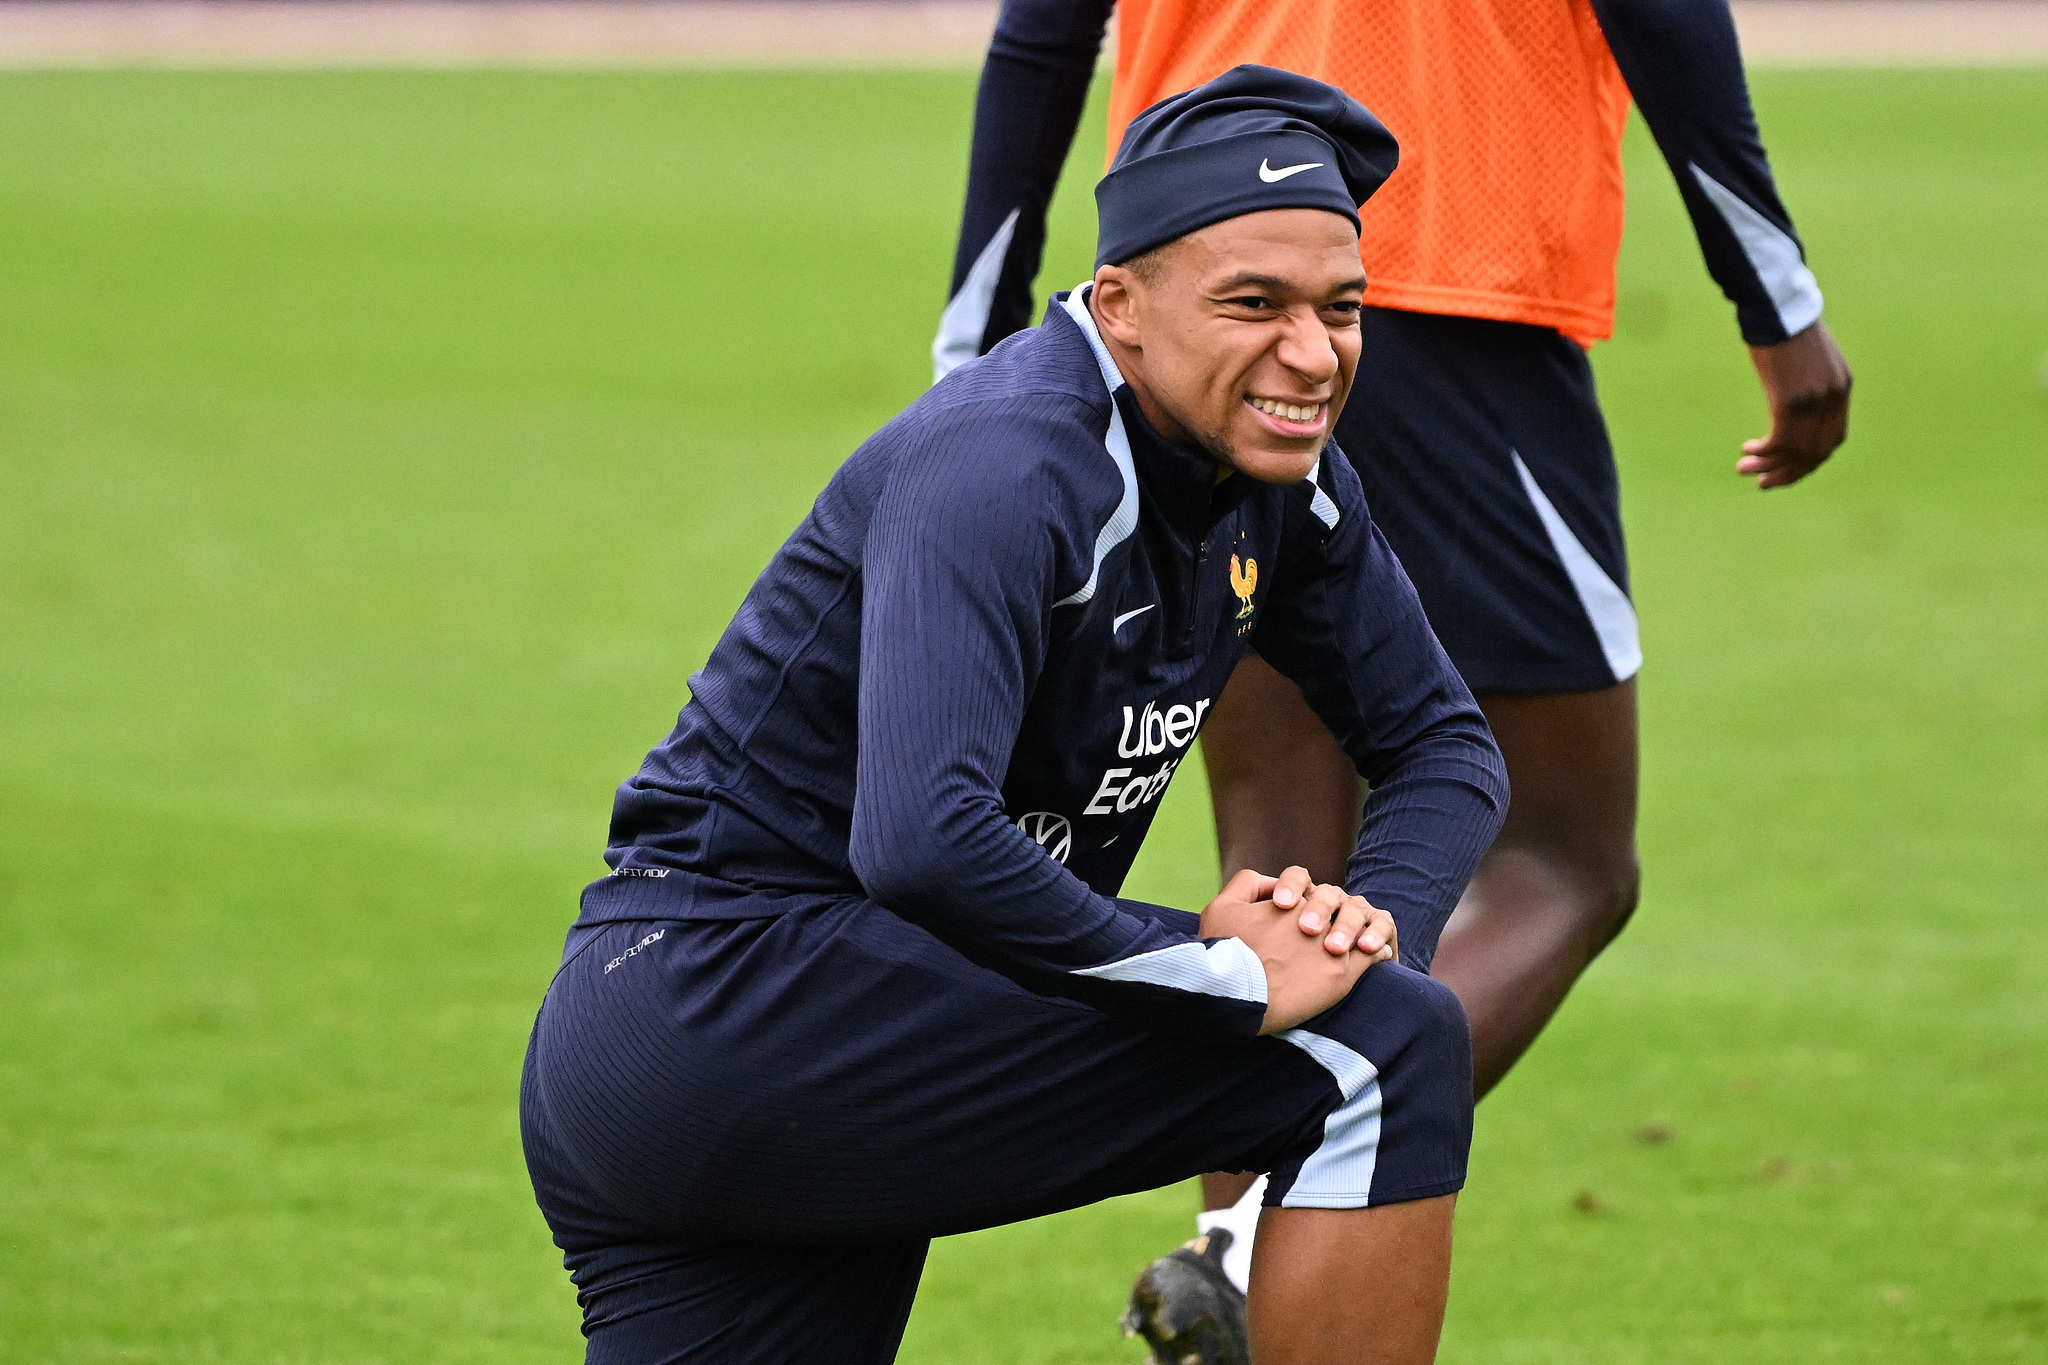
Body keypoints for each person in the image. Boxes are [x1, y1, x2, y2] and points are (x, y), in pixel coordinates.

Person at [522, 67, 1508, 1365]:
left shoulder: (1281, 477)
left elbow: (1441, 742)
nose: (1314, 353)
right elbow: (922, 839)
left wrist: (1357, 926)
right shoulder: (1010, 461)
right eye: (1253, 303)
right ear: (1121, 305)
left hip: (761, 1041)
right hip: (735, 1009)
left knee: (1371, 1005)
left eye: (1343, 307)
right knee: (1380, 1052)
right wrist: (1229, 980)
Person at [936, 0, 1854, 1329]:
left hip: (1183, 309)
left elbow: (1041, 33)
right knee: (1565, 857)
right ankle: (1252, 1242)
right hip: (1446, 267)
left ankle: (1232, 1276)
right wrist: (1776, 297)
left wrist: (978, 344)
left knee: (1285, 869)